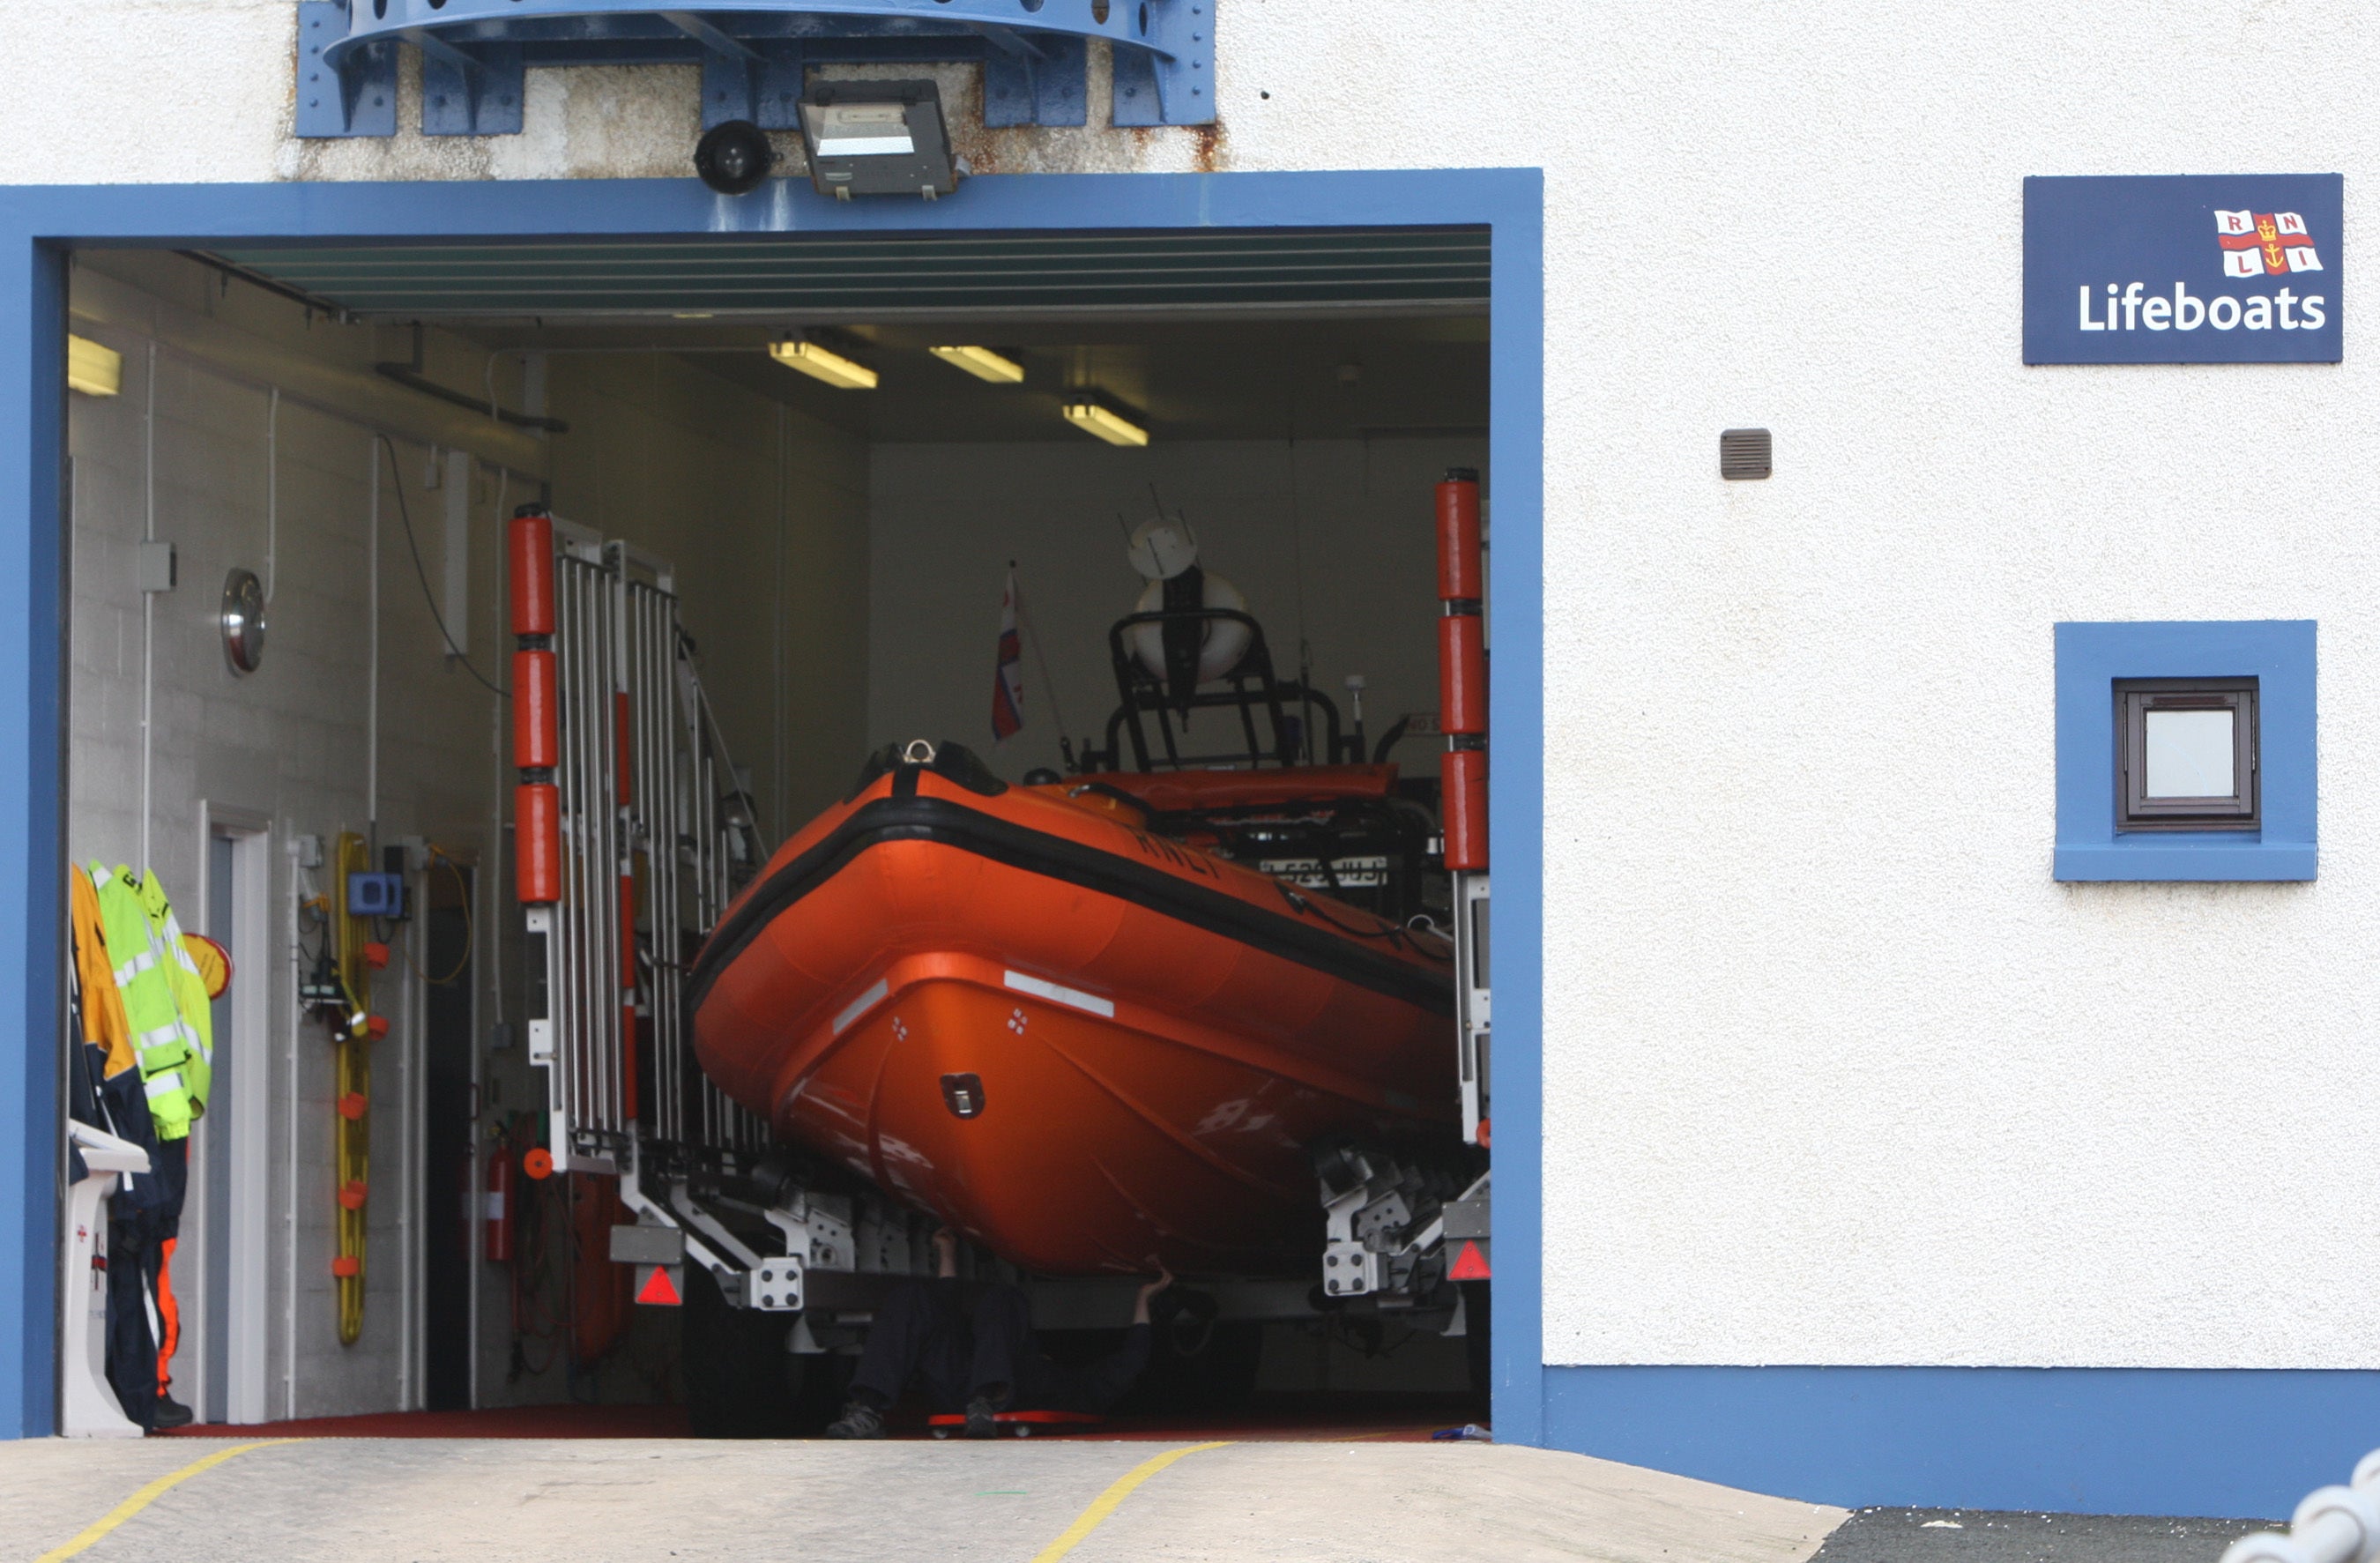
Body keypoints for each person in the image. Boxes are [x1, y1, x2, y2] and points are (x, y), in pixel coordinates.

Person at [825, 1229, 1170, 1440]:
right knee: (911, 1298)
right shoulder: (1008, 1347)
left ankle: (986, 1398)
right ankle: (867, 1409)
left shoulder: (1084, 1388)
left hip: (1004, 1396)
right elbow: (946, 1317)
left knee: (1004, 1298)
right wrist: (947, 1252)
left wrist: (1144, 1297)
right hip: (966, 1388)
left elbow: (1131, 1361)